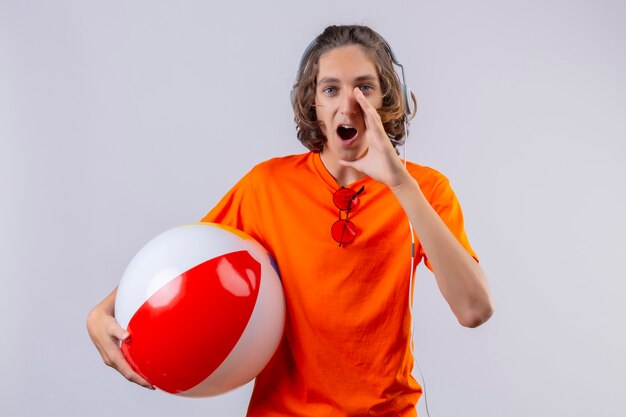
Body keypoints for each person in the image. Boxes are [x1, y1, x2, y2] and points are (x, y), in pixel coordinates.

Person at [87, 24, 493, 416]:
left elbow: (473, 310)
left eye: (364, 87)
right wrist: (101, 311)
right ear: (312, 103)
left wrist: (400, 184)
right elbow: (186, 262)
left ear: (388, 98)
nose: (348, 104)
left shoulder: (425, 188)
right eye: (330, 88)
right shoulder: (267, 185)